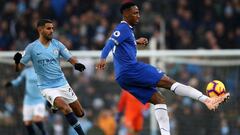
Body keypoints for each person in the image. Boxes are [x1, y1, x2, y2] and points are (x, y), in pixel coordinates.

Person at [96, 2, 230, 135]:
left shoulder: (128, 30)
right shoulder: (123, 28)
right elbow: (110, 42)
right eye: (135, 13)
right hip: (131, 69)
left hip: (122, 78)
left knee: (159, 100)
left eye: (138, 12)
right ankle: (207, 100)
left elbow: (120, 45)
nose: (138, 16)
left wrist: (136, 42)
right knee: (170, 83)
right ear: (125, 14)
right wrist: (102, 58)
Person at [14, 19, 86, 135]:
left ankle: (52, 104)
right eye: (48, 28)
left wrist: (76, 64)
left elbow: (69, 57)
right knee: (66, 108)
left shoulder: (57, 44)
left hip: (62, 83)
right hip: (46, 87)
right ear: (40, 29)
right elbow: (19, 68)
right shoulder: (31, 48)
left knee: (80, 113)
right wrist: (17, 63)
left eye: (52, 28)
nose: (52, 31)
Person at [5, 66, 47, 135]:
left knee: (37, 119)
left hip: (39, 99)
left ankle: (44, 133)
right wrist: (11, 83)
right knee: (27, 123)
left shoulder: (44, 70)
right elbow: (18, 80)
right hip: (28, 100)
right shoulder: (26, 71)